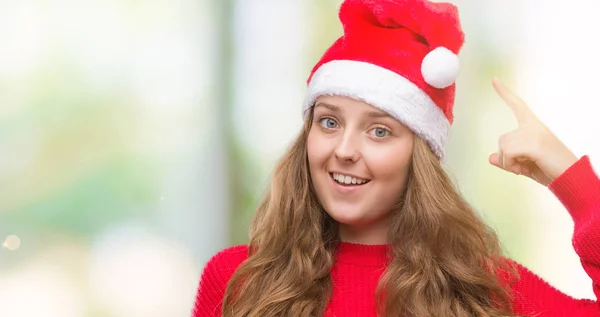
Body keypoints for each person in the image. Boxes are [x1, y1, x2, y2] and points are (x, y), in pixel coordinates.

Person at [192, 0, 600, 316]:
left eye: (380, 131)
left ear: (418, 156)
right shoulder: (237, 280)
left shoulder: (481, 290)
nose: (345, 150)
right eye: (329, 122)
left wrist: (571, 179)